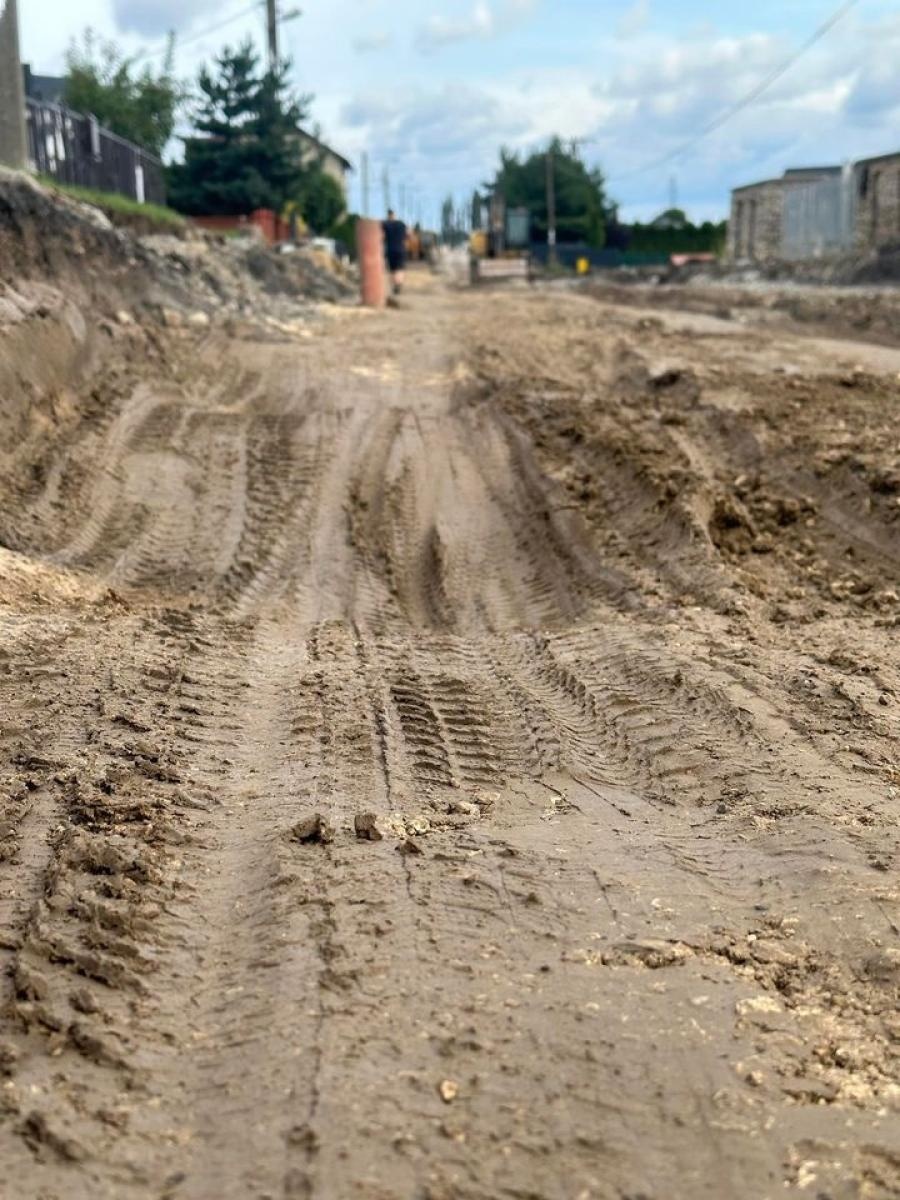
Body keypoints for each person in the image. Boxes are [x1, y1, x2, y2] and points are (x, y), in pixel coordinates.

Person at [382, 209, 408, 298]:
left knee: (392, 270)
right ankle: (398, 284)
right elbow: (407, 235)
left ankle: (395, 285)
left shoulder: (385, 225)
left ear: (388, 215)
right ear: (394, 215)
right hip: (400, 249)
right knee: (400, 268)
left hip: (390, 249)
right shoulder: (401, 224)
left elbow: (382, 236)